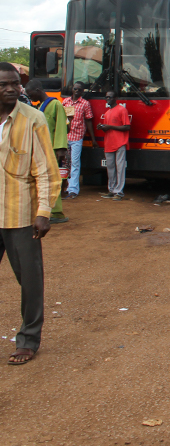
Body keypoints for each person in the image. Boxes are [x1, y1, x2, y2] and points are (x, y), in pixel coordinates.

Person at [0, 63, 61, 364]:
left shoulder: (33, 119)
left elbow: (46, 170)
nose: (11, 89)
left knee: (30, 280)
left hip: (20, 214)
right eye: (4, 84)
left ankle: (28, 339)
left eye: (15, 84)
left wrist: (44, 212)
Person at [25, 81, 68, 224]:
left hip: (52, 150)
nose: (30, 97)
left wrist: (60, 148)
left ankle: (56, 212)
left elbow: (61, 126)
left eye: (31, 94)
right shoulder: (38, 107)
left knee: (52, 179)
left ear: (38, 90)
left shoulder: (55, 105)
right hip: (39, 149)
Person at [61, 81, 96, 200]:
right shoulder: (65, 102)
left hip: (77, 137)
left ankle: (73, 190)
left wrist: (93, 139)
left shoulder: (85, 104)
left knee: (75, 163)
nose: (77, 91)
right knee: (65, 164)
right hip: (65, 137)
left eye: (79, 89)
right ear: (72, 89)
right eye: (75, 88)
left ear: (82, 92)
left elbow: (89, 120)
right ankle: (64, 188)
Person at [98, 90, 130, 201]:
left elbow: (127, 126)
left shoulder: (122, 110)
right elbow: (108, 128)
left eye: (110, 97)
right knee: (110, 168)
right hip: (109, 143)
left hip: (120, 142)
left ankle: (119, 192)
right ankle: (111, 190)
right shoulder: (107, 113)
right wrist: (102, 127)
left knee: (120, 168)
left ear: (115, 98)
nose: (108, 99)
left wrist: (109, 127)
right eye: (106, 97)